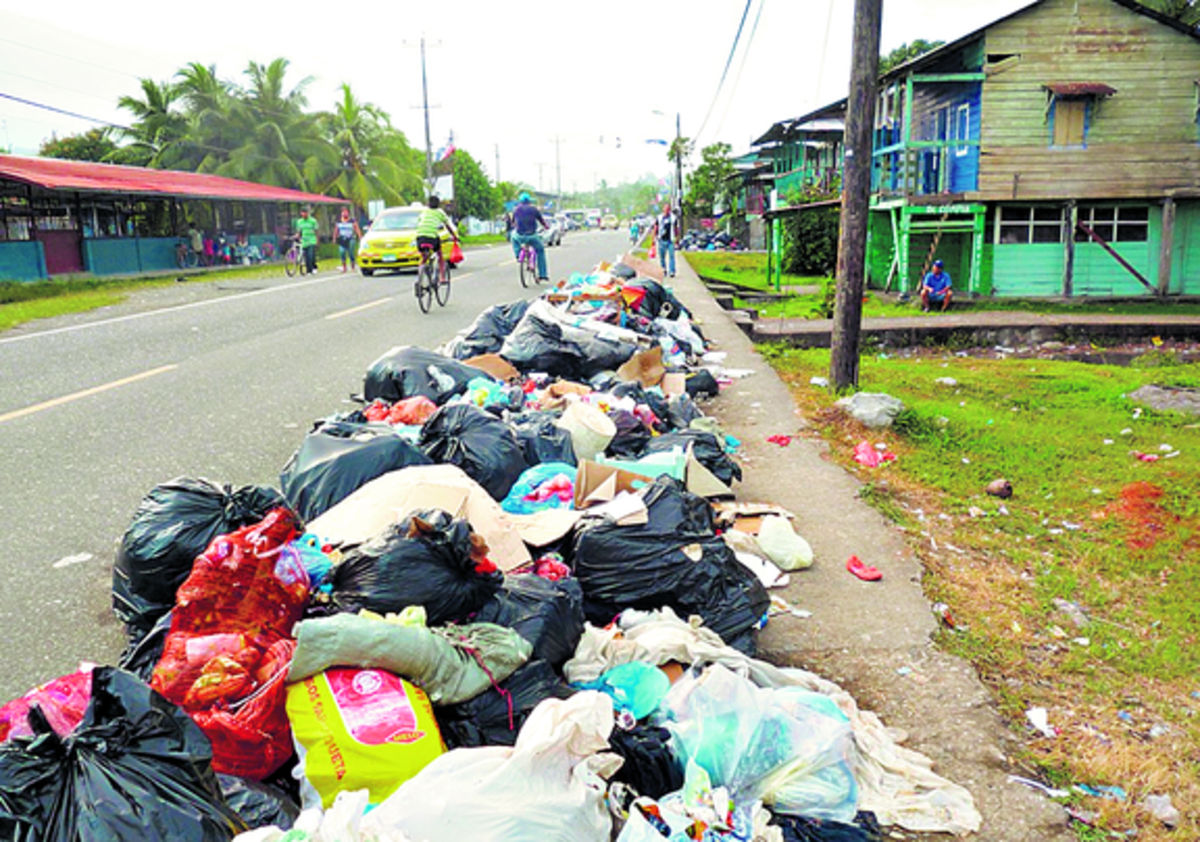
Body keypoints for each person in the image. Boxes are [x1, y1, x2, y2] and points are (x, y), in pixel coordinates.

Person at [510, 192, 550, 281]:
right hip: (532, 235)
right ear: (529, 201)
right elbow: (542, 221)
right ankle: (543, 274)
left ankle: (518, 254)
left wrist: (515, 225)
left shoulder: (516, 209)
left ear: (520, 201)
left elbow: (513, 222)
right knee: (540, 250)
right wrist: (546, 227)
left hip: (520, 235)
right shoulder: (534, 209)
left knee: (513, 237)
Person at [414, 194, 460, 267]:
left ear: (428, 204)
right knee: (440, 254)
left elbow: (419, 223)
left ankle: (421, 271)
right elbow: (448, 226)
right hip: (432, 238)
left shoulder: (424, 212)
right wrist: (454, 236)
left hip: (420, 237)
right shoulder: (440, 212)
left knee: (424, 256)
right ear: (438, 204)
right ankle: (442, 277)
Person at [334, 207, 363, 273]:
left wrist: (360, 237)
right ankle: (344, 267)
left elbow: (357, 229)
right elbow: (336, 230)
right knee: (342, 252)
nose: (344, 214)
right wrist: (335, 238)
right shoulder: (339, 221)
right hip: (342, 239)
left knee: (350, 252)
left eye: (346, 212)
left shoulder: (352, 221)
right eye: (343, 212)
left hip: (351, 238)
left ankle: (352, 265)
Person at [654, 204, 679, 277]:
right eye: (665, 209)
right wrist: (654, 238)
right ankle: (663, 270)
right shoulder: (659, 217)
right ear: (663, 209)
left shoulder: (673, 218)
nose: (667, 210)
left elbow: (676, 229)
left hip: (670, 240)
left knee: (672, 256)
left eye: (668, 209)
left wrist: (677, 238)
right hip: (661, 239)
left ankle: (672, 271)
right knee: (662, 257)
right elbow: (656, 227)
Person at [294, 206, 320, 274]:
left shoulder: (313, 221)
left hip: (311, 240)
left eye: (305, 213)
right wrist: (297, 235)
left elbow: (316, 231)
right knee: (306, 256)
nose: (304, 214)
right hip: (304, 240)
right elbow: (299, 231)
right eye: (303, 213)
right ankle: (309, 270)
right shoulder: (299, 221)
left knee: (311, 255)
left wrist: (317, 240)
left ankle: (313, 267)